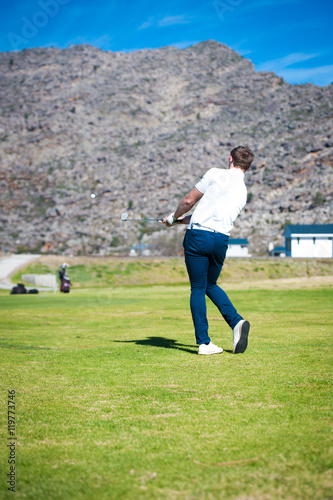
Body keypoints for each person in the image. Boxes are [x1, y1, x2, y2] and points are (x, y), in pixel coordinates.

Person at [161, 146, 254, 355]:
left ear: (230, 158)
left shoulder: (215, 173)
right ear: (247, 166)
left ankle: (204, 343)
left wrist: (173, 217)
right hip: (220, 240)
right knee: (210, 285)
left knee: (197, 288)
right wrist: (177, 221)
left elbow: (188, 201)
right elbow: (208, 215)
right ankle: (236, 322)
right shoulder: (243, 192)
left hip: (198, 237)